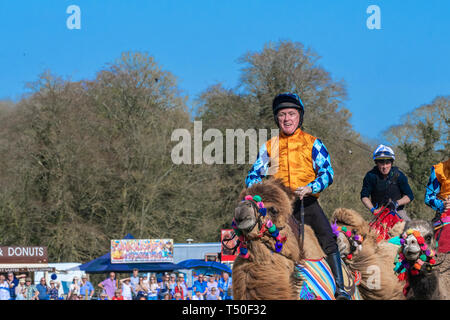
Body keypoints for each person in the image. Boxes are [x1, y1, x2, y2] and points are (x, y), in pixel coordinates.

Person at [245, 92, 350, 300]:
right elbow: (253, 175)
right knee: (255, 237)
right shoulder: (268, 147)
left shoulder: (313, 143)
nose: (287, 119)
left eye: (291, 114)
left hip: (307, 202)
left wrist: (311, 187)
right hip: (278, 207)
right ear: (277, 118)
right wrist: (262, 190)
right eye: (282, 114)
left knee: (327, 238)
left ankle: (341, 288)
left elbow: (328, 173)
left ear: (299, 117)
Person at [361, 144, 414, 222]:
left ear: (391, 163)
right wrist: (373, 210)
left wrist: (396, 203)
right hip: (379, 213)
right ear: (376, 163)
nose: (384, 166)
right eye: (381, 163)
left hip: (398, 212)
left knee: (411, 230)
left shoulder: (399, 175)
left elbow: (409, 196)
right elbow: (364, 196)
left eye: (387, 163)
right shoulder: (370, 176)